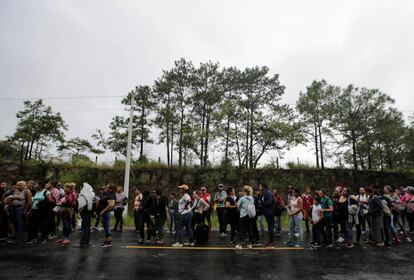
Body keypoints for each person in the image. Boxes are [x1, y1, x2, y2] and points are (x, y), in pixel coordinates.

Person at [74, 183, 95, 248]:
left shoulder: (83, 195)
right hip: (88, 213)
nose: (80, 188)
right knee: (87, 228)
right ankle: (86, 242)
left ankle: (82, 243)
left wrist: (78, 213)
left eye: (80, 187)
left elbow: (82, 206)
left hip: (84, 213)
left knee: (84, 228)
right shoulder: (90, 195)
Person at [99, 184, 116, 248]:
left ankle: (109, 242)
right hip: (105, 213)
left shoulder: (111, 195)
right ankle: (106, 240)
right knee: (105, 226)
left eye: (107, 187)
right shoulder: (107, 194)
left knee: (107, 226)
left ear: (110, 189)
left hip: (107, 212)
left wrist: (103, 211)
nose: (105, 188)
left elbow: (111, 205)